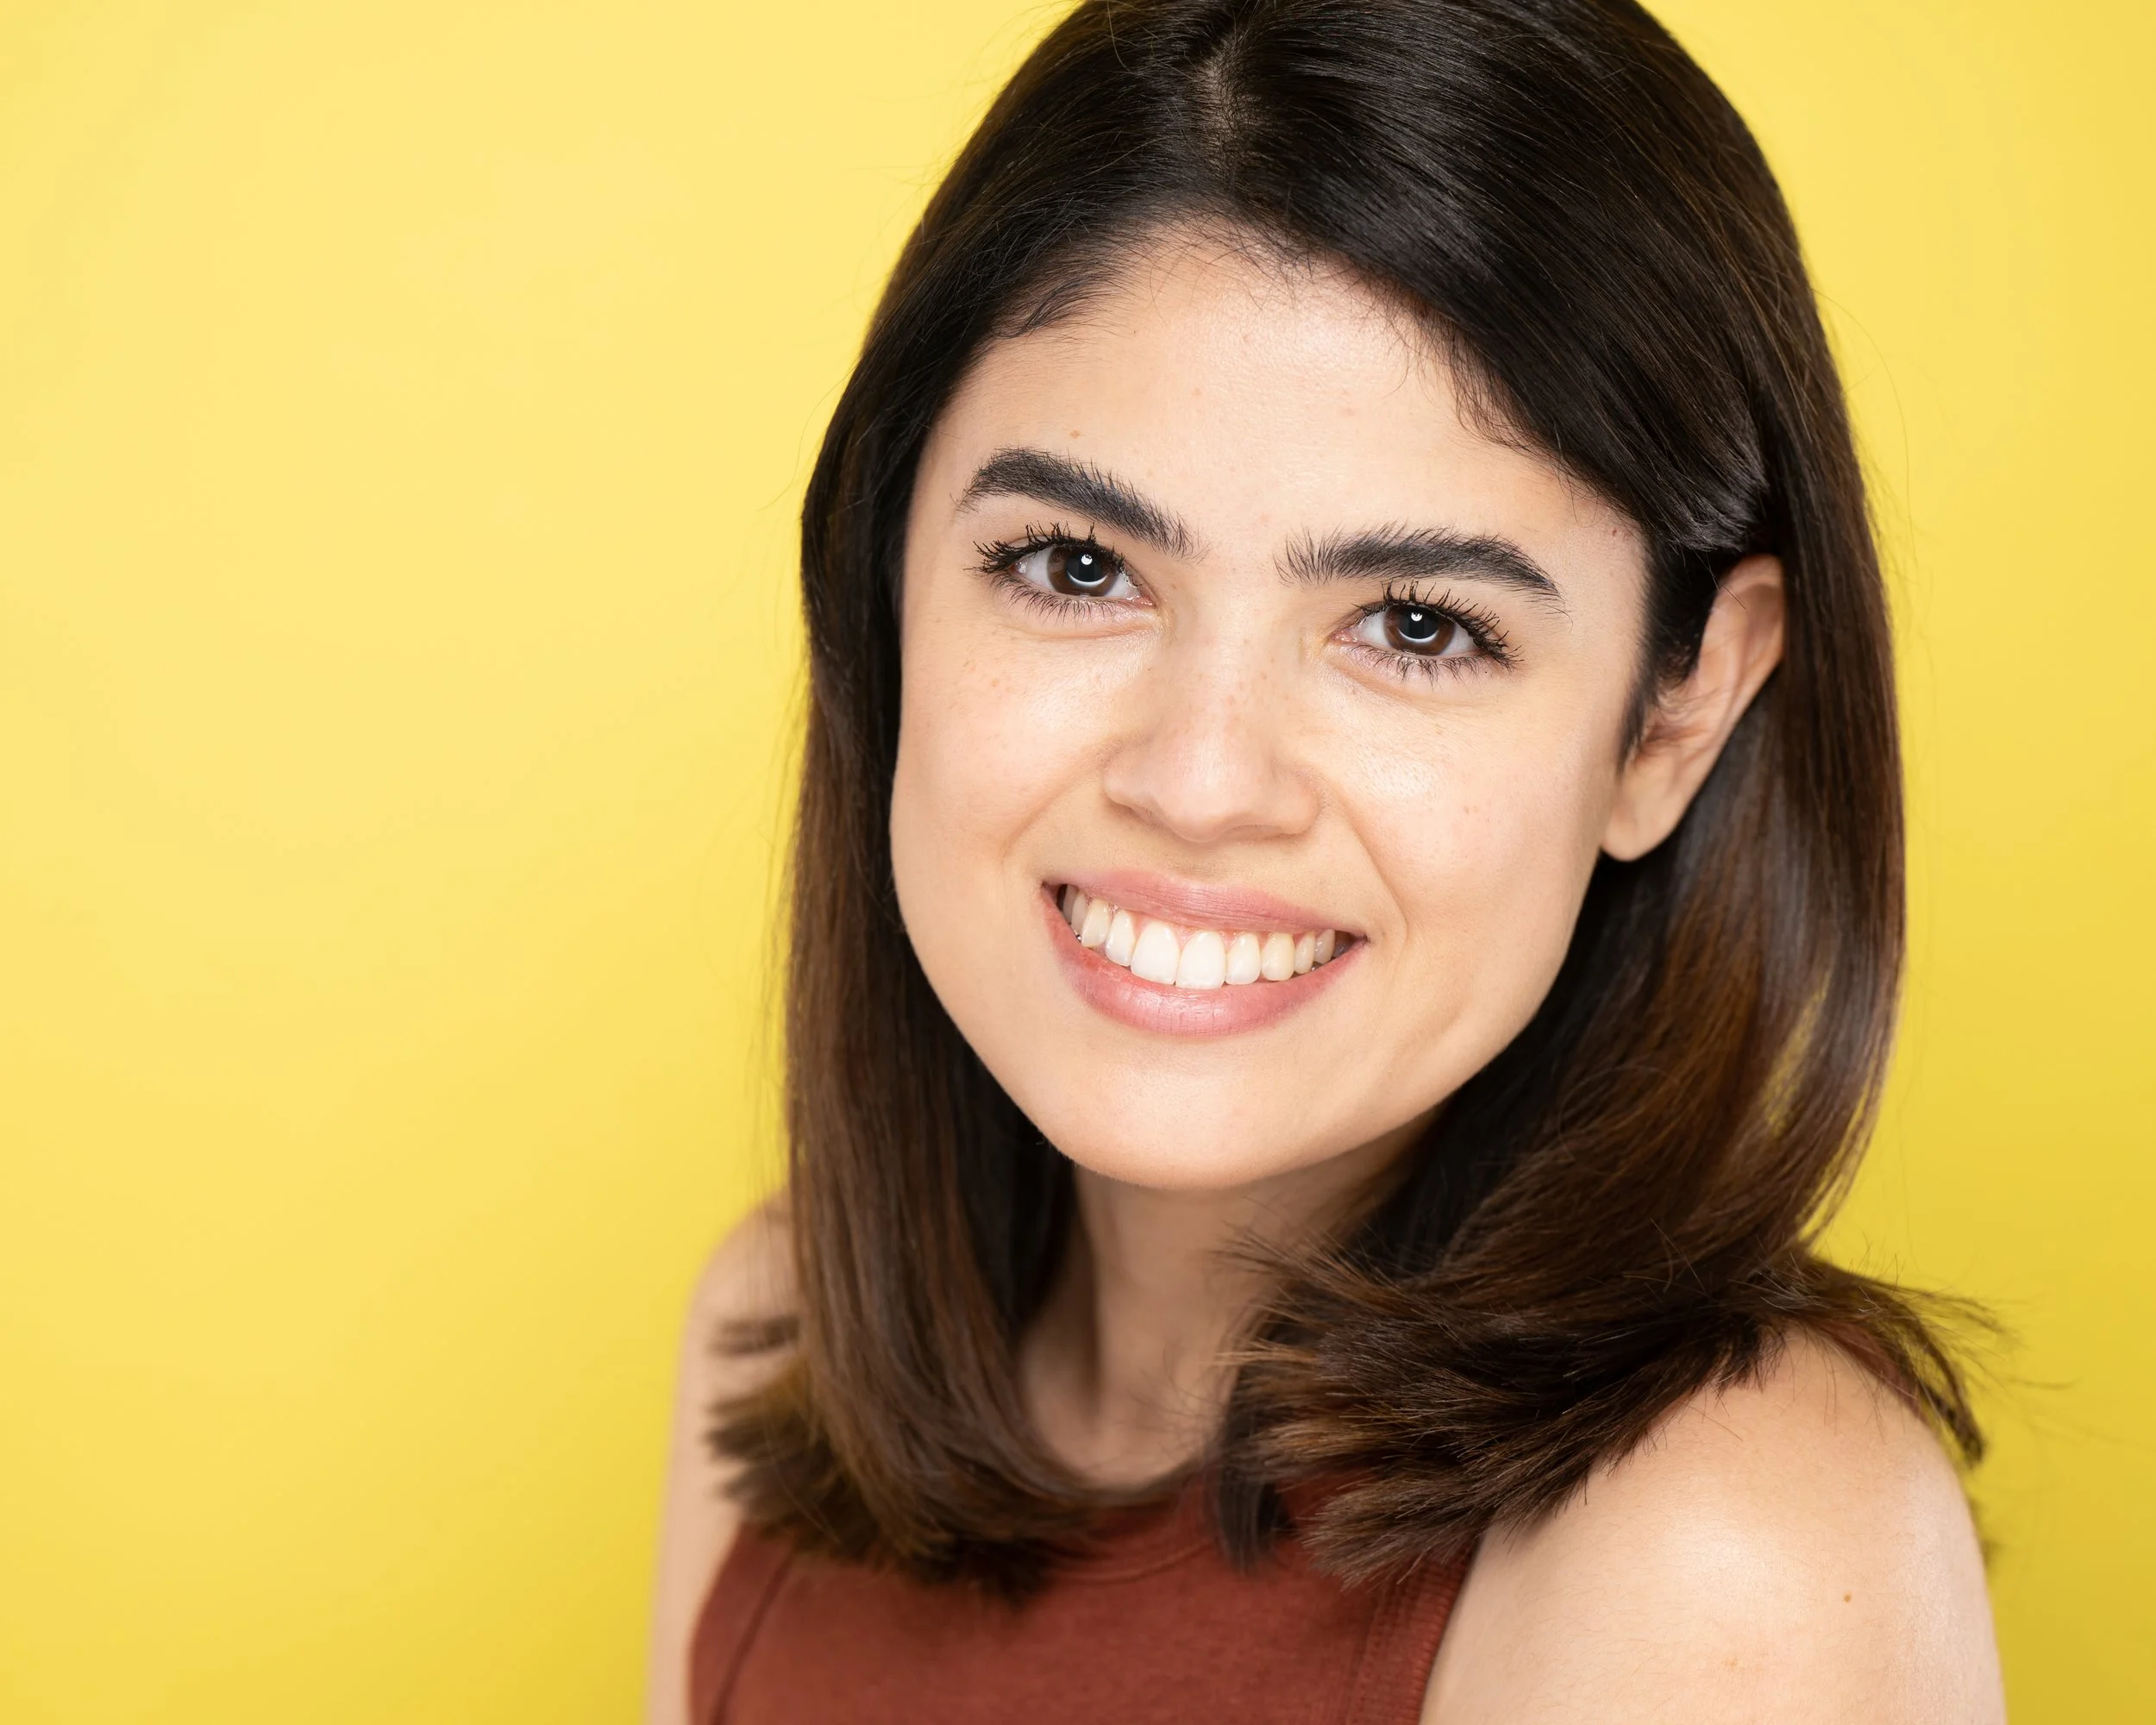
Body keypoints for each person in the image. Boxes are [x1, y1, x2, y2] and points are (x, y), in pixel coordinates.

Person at [648, 1, 2004, 1718]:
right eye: (1073, 566)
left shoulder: (1715, 1544)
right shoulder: (782, 1337)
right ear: (881, 579)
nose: (1200, 780)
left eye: (1419, 625)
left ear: (1674, 714)